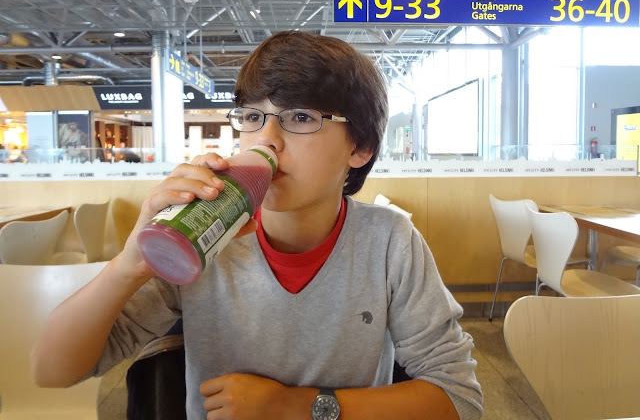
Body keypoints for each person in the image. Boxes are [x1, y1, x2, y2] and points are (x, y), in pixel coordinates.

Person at [31, 31, 483, 419]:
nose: (266, 138)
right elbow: (52, 370)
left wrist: (295, 406)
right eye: (252, 117)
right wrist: (130, 263)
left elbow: (458, 397)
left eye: (301, 117)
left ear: (359, 147)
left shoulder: (389, 242)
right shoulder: (208, 239)